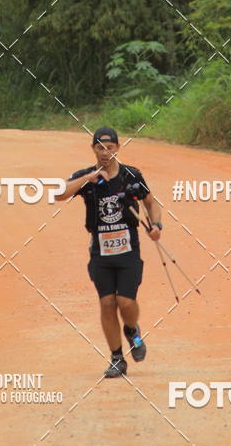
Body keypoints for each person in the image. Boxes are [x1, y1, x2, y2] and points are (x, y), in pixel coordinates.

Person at [55, 127, 162, 378]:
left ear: (118, 148)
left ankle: (132, 331)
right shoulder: (86, 177)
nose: (105, 152)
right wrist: (88, 179)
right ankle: (116, 358)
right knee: (107, 303)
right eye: (100, 148)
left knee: (126, 302)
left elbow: (150, 202)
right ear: (93, 149)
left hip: (128, 250)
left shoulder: (131, 176)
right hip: (100, 253)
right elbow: (59, 193)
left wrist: (156, 225)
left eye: (110, 147)